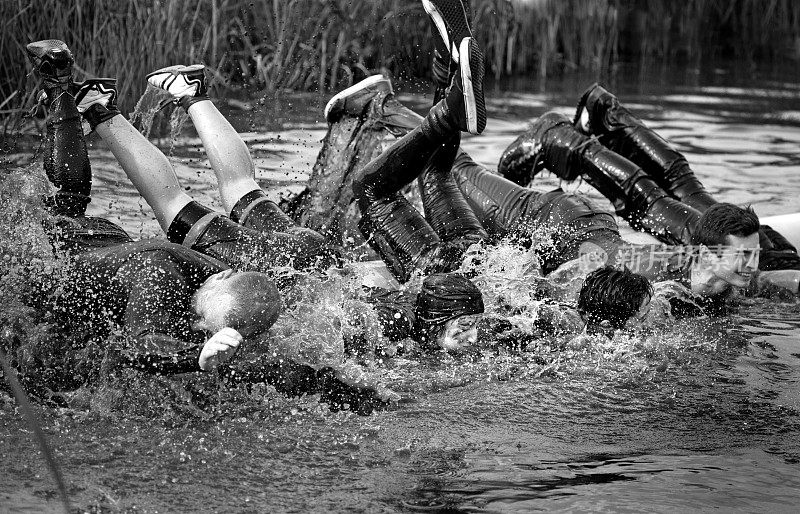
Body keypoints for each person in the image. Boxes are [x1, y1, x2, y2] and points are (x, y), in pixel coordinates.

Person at [17, 39, 388, 414]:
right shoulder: (159, 275)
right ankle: (66, 90)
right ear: (227, 276)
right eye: (206, 325)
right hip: (89, 251)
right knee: (71, 202)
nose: (200, 324)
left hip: (118, 249)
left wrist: (347, 392)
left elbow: (277, 368)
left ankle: (113, 101)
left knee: (239, 187)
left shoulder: (221, 277)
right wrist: (196, 357)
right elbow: (139, 346)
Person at [495, 85, 800, 299]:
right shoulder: (698, 270)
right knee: (658, 202)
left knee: (683, 190)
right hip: (766, 263)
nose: (751, 262)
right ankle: (570, 138)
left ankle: (606, 118)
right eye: (748, 255)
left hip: (770, 259)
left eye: (752, 255)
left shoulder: (737, 270)